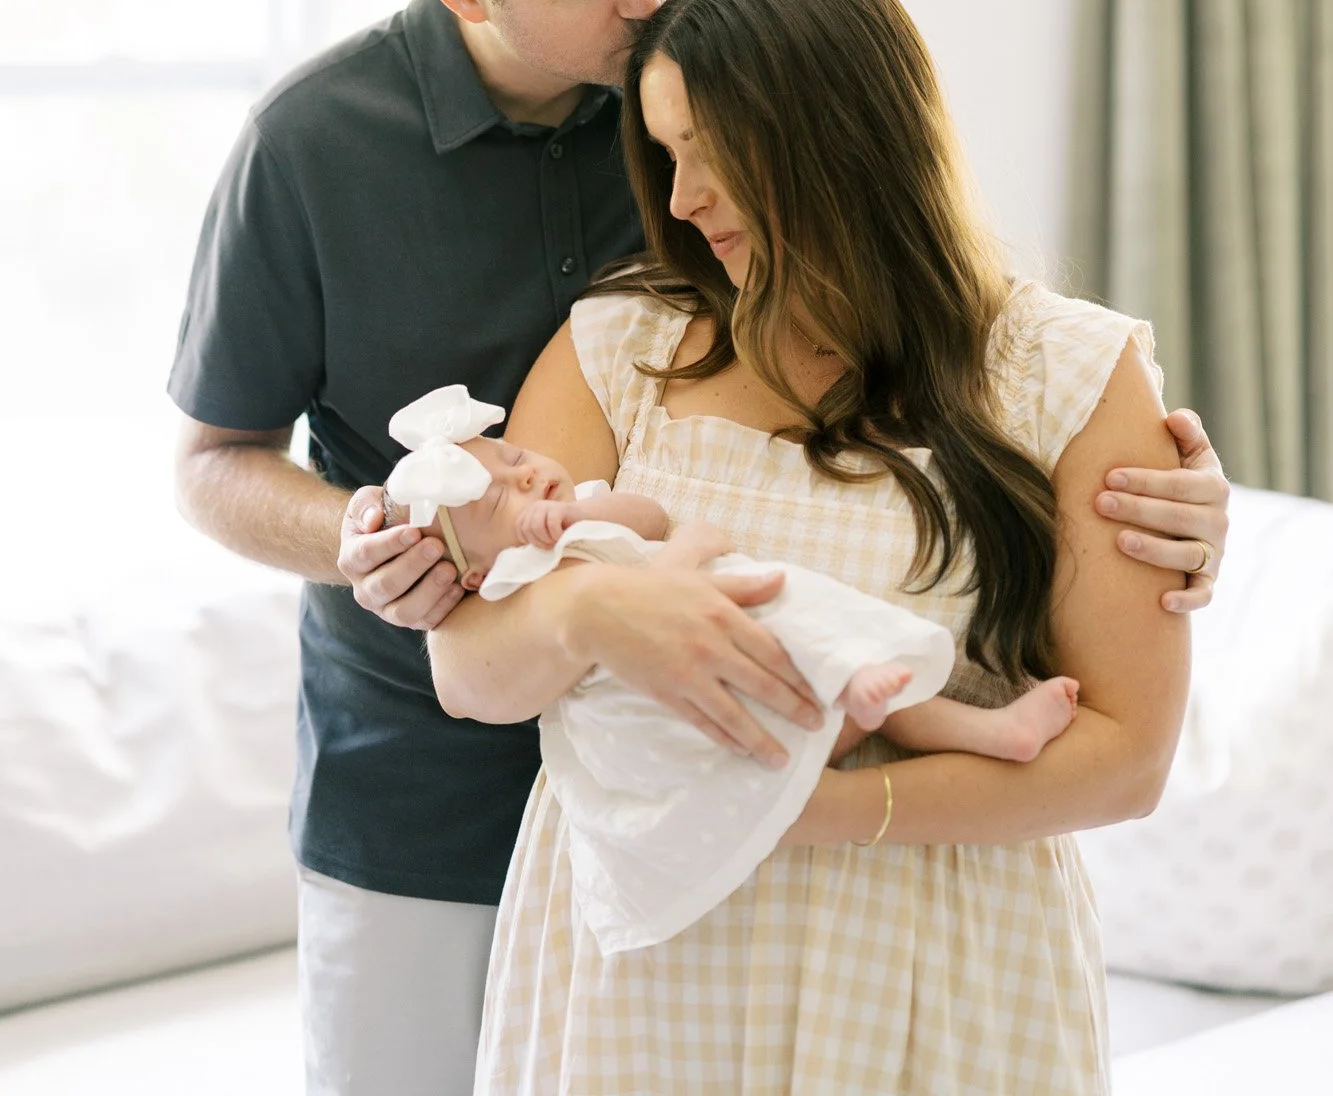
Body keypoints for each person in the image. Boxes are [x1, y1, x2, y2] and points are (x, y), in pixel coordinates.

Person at [170, 0, 1229, 1096]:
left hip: (870, 887)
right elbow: (217, 463)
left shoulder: (708, 74)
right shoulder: (318, 154)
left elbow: (1108, 702)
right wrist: (388, 541)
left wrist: (1172, 495)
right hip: (444, 790)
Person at [428, 0, 1195, 1096]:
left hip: (929, 957)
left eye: (712, 154)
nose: (681, 199)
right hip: (640, 964)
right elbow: (470, 670)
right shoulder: (624, 346)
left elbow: (1123, 759)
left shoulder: (1067, 375)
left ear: (837, 141)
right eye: (667, 152)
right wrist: (590, 609)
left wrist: (796, 812)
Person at [379, 390, 1079, 955]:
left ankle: (982, 729)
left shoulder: (581, 518)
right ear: (470, 573)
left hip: (720, 614)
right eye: (500, 499)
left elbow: (650, 520)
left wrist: (574, 515)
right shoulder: (506, 587)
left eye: (514, 456)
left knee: (826, 640)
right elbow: (481, 677)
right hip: (645, 711)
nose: (525, 475)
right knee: (716, 755)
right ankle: (834, 723)